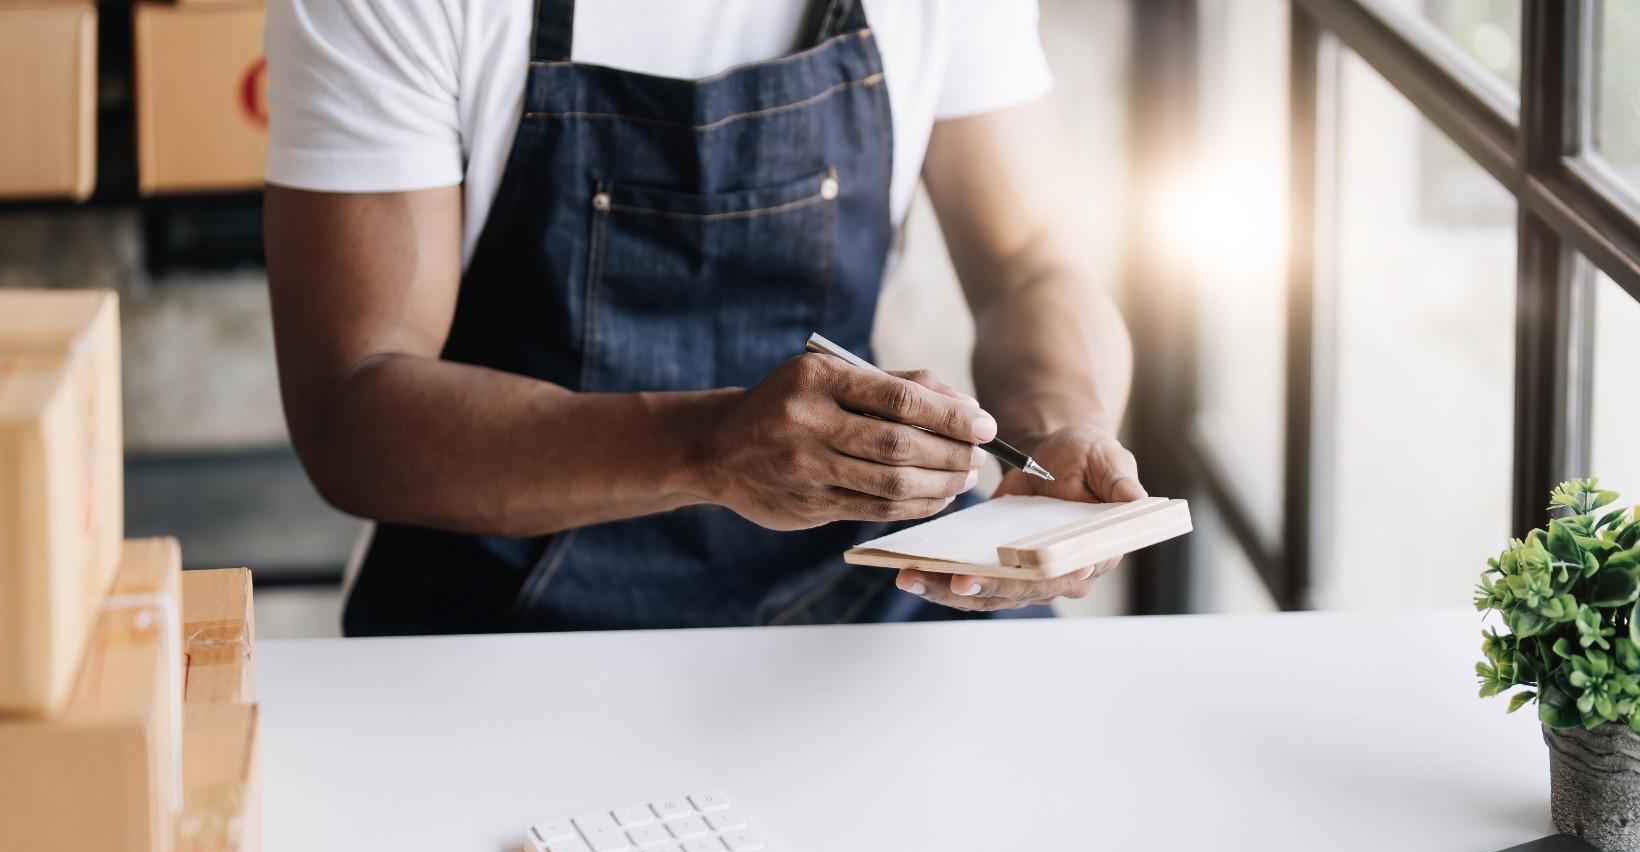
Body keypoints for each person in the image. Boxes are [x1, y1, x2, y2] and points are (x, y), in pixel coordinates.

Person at [263, 0, 1145, 635]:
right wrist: (712, 448)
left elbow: (1034, 263)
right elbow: (354, 404)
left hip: (852, 598)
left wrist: (1059, 425)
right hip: (499, 623)